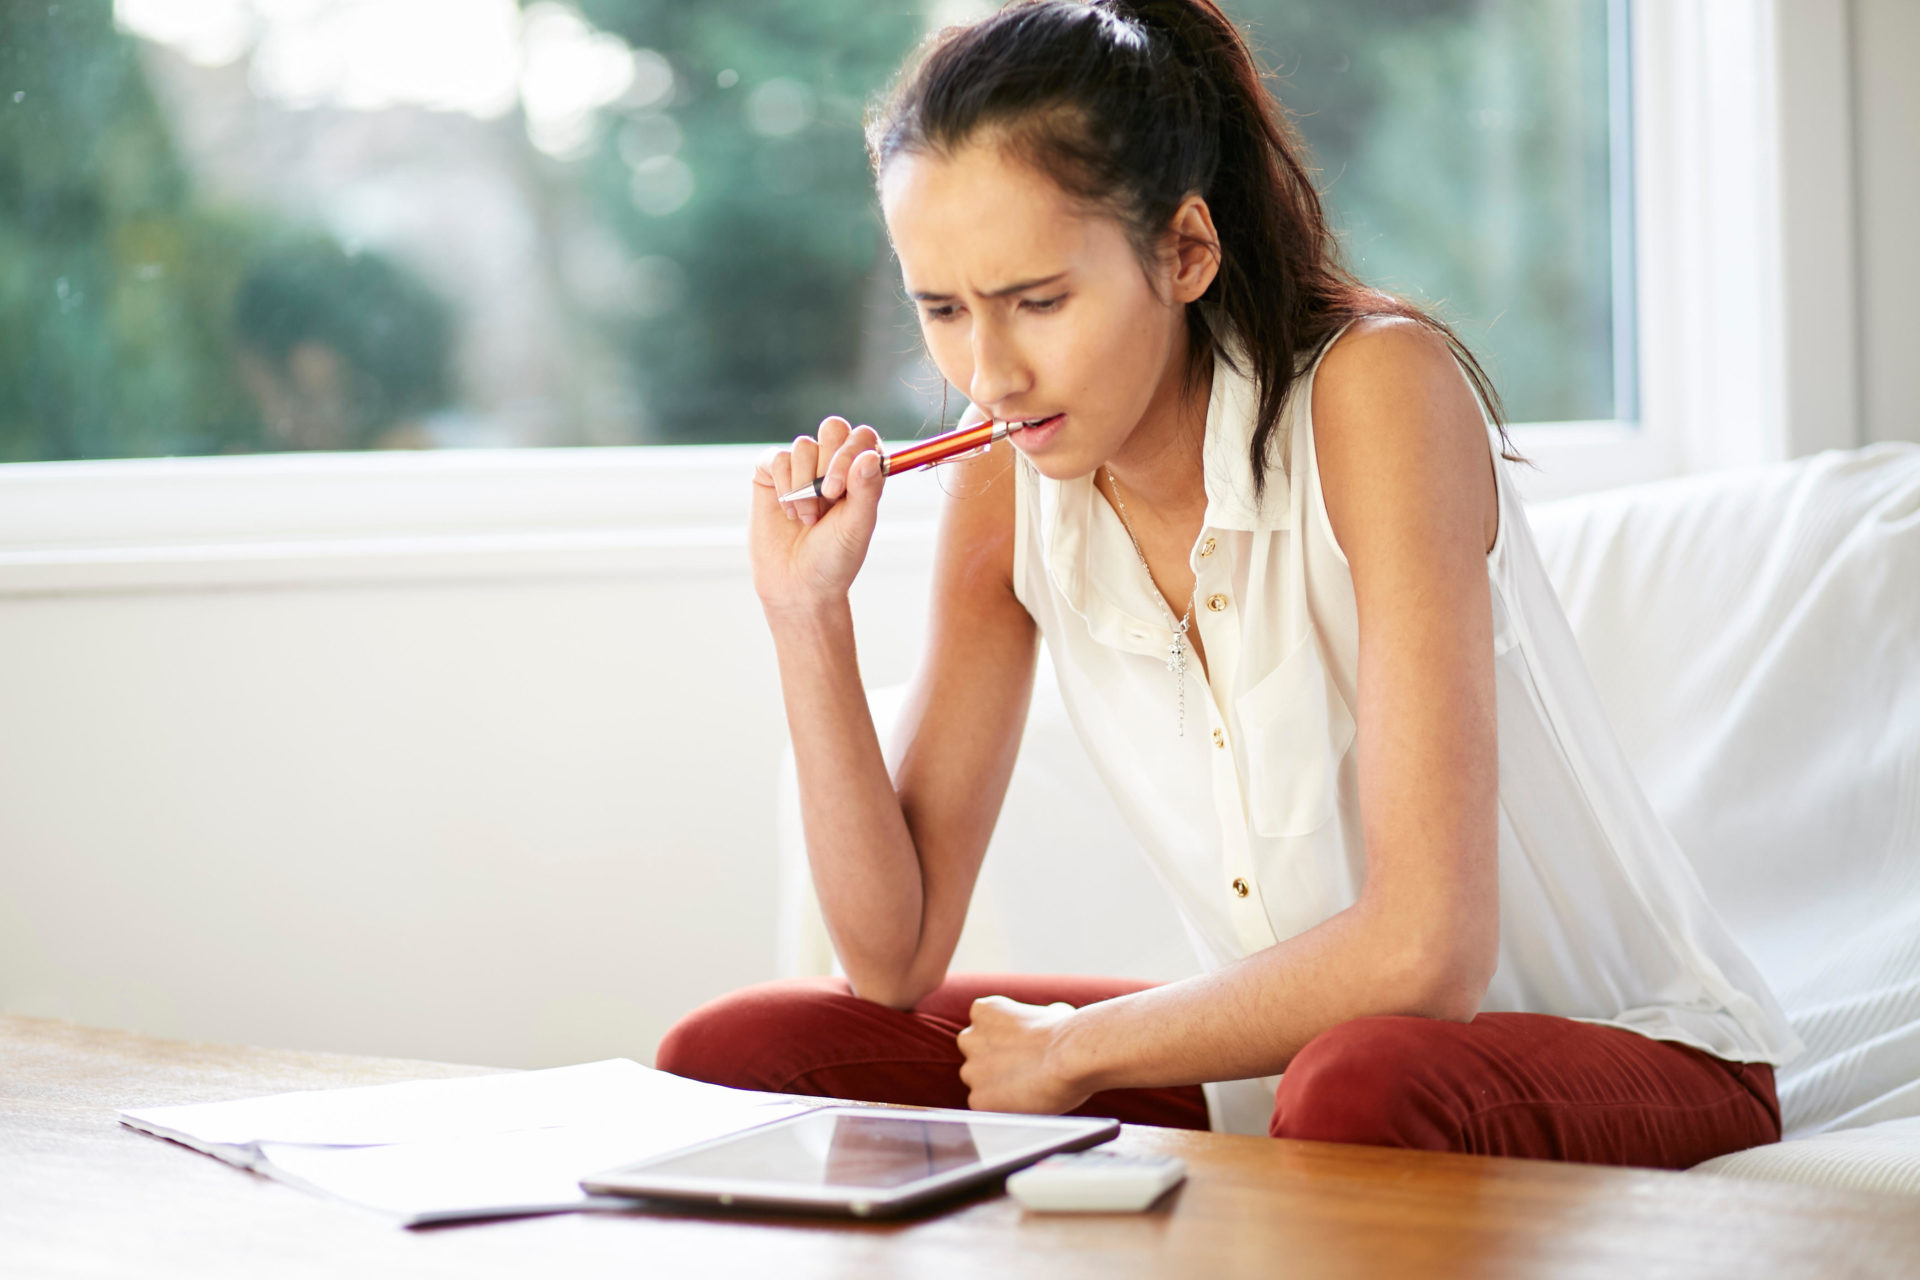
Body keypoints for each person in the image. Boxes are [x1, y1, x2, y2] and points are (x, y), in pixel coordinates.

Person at [658, 0, 1799, 1165]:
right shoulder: (1006, 483)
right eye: (942, 309)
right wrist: (807, 615)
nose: (989, 372)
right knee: (748, 1049)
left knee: (1359, 1079)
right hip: (1295, 1076)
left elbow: (1425, 952)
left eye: (1038, 300)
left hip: (1617, 1051)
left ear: (1185, 250)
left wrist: (1074, 1051)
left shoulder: (1379, 392)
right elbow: (892, 957)